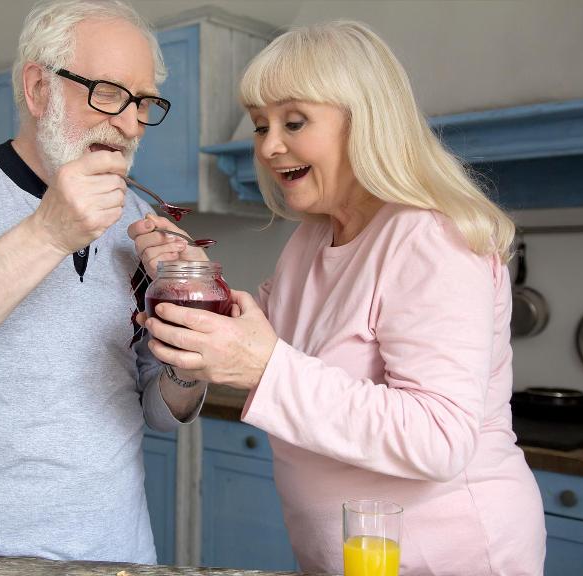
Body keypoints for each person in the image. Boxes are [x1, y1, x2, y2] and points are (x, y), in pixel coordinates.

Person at [130, 21, 545, 575]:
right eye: (260, 125)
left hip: (449, 555)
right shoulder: (311, 241)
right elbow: (260, 338)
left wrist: (263, 367)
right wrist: (196, 283)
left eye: (294, 121)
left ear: (365, 119)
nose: (269, 146)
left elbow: (439, 438)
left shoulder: (430, 238)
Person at [0, 0, 208, 563]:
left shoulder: (140, 221)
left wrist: (189, 354)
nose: (129, 123)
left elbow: (158, 409)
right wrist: (48, 233)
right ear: (39, 89)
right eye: (108, 92)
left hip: (115, 552)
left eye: (144, 102)